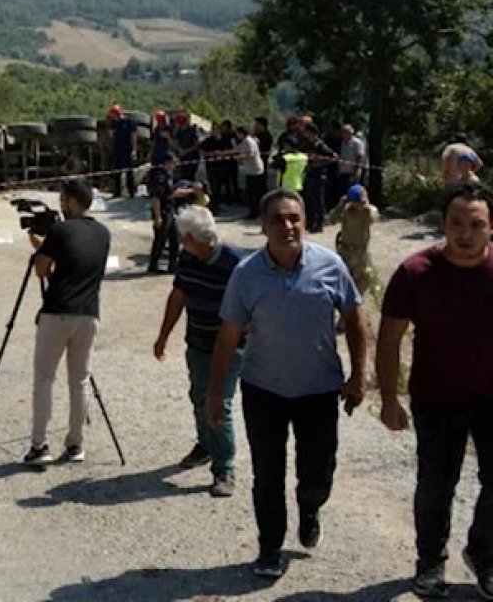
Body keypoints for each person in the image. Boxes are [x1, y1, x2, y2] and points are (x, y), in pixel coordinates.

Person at [208, 188, 368, 579]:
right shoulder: (246, 275)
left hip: (318, 390)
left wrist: (358, 376)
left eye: (294, 218)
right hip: (264, 391)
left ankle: (310, 507)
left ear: (305, 221)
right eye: (277, 219)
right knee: (268, 473)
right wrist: (215, 395)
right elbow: (228, 336)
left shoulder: (330, 266)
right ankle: (269, 547)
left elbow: (354, 318)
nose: (287, 226)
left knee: (317, 472)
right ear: (263, 227)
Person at [376, 183, 493, 599]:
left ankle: (483, 554)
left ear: (490, 228)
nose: (465, 232)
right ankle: (430, 562)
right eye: (456, 223)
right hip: (435, 397)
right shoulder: (414, 273)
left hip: (490, 396)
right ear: (442, 225)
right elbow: (389, 339)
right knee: (436, 486)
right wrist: (389, 400)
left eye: (476, 224)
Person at [152, 206, 245, 497]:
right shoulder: (188, 258)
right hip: (198, 343)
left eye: (182, 237)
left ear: (192, 237)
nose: (180, 242)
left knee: (219, 403)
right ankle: (206, 444)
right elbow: (178, 295)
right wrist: (163, 336)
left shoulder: (236, 265)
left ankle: (224, 468)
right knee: (198, 395)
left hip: (229, 349)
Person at [22, 180, 110, 467]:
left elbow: (41, 270)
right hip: (89, 314)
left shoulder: (59, 231)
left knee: (45, 378)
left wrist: (40, 247)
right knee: (79, 381)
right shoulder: (103, 232)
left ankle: (39, 445)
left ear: (71, 201)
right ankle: (75, 444)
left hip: (58, 311)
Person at [328, 184, 379, 297]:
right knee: (342, 282)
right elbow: (331, 221)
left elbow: (373, 217)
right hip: (345, 251)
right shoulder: (346, 211)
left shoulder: (367, 212)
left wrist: (365, 205)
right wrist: (339, 207)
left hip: (360, 253)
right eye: (356, 201)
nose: (358, 204)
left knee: (361, 283)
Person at [147, 152, 183, 274]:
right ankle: (153, 266)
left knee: (175, 239)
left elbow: (170, 193)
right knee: (160, 240)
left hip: (170, 211)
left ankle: (172, 266)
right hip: (162, 212)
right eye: (173, 163)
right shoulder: (160, 177)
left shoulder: (169, 176)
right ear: (167, 163)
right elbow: (156, 198)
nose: (175, 165)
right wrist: (158, 217)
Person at [299, 122, 336, 233]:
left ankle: (319, 224)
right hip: (309, 174)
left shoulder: (320, 145)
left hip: (319, 175)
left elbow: (333, 157)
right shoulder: (306, 144)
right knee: (309, 198)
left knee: (318, 200)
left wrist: (320, 161)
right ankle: (310, 223)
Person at [235, 124, 266, 220]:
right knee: (250, 192)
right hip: (250, 170)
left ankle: (255, 213)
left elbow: (251, 154)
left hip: (255, 170)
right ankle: (253, 211)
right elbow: (237, 149)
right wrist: (221, 153)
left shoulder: (249, 141)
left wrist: (240, 157)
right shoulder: (244, 141)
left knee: (254, 193)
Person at [109, 105, 137, 198]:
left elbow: (133, 137)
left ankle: (132, 192)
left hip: (127, 150)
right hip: (117, 150)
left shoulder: (129, 123)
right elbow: (112, 135)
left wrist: (134, 150)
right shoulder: (114, 123)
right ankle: (117, 192)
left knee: (129, 172)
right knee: (117, 172)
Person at [335, 125, 366, 205]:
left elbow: (359, 156)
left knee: (353, 192)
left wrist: (355, 171)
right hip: (343, 171)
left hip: (353, 172)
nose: (343, 134)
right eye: (342, 132)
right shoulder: (342, 143)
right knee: (343, 193)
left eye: (345, 132)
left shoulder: (357, 143)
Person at [174, 112, 202, 182]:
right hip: (183, 159)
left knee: (190, 177)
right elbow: (177, 143)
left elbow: (197, 145)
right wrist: (179, 150)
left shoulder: (192, 131)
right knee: (183, 177)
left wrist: (186, 151)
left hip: (192, 158)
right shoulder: (179, 132)